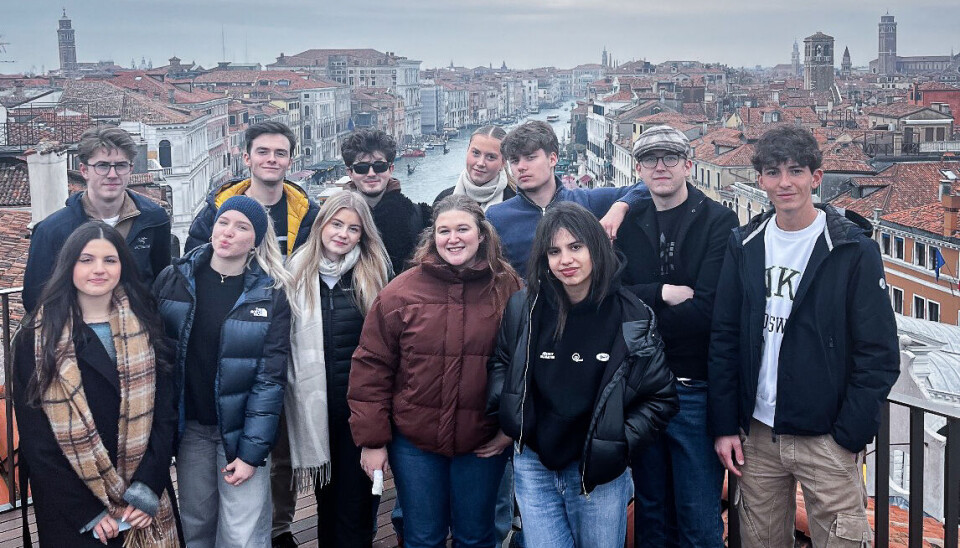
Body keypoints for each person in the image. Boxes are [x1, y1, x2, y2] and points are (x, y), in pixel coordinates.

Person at [709, 125, 900, 547]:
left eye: (796, 171)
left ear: (816, 177)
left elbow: (880, 352)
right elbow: (724, 338)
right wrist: (726, 425)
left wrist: (849, 433)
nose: (784, 183)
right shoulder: (744, 244)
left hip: (827, 435)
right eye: (773, 172)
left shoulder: (852, 249)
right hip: (758, 435)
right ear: (760, 180)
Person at [486, 201, 678, 548]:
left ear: (596, 247)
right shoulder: (524, 307)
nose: (566, 260)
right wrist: (511, 416)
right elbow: (502, 361)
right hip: (534, 463)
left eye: (576, 247)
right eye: (554, 251)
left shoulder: (632, 316)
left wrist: (615, 442)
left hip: (598, 471)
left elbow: (660, 397)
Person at [348, 195, 521, 548]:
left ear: (482, 235)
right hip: (415, 441)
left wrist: (509, 429)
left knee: (476, 537)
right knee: (423, 536)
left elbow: (525, 365)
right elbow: (372, 366)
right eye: (444, 230)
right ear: (433, 237)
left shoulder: (508, 289)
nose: (453, 238)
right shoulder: (400, 292)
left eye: (462, 229)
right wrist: (373, 441)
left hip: (482, 438)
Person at [13, 222, 179, 547]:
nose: (98, 270)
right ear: (68, 265)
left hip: (142, 499)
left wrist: (148, 487)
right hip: (73, 511)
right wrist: (86, 511)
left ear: (123, 267)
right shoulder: (36, 337)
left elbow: (165, 416)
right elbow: (37, 438)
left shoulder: (147, 324)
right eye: (86, 260)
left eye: (110, 260)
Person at [616, 125, 738, 548]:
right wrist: (663, 293)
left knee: (698, 517)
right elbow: (614, 299)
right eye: (651, 159)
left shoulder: (719, 221)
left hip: (694, 390)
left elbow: (708, 311)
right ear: (639, 169)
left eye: (670, 158)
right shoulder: (629, 222)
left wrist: (639, 311)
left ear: (689, 165)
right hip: (642, 389)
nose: (661, 166)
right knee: (651, 512)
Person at [154, 196, 292, 548]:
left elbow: (269, 379)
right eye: (223, 222)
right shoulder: (175, 279)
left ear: (256, 240)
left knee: (242, 533)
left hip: (242, 431)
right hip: (192, 430)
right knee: (196, 524)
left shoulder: (270, 293)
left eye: (242, 227)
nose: (228, 232)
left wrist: (251, 452)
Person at [285, 190, 392, 547]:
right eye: (336, 224)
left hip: (358, 411)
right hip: (314, 411)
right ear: (321, 225)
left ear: (364, 236)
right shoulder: (295, 274)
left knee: (357, 505)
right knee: (326, 503)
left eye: (354, 229)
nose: (343, 234)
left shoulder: (374, 276)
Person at [23, 126, 172, 313]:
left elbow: (162, 282)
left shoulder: (154, 219)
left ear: (130, 169)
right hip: (77, 335)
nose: (112, 174)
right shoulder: (52, 230)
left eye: (120, 165)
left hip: (141, 333)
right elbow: (34, 298)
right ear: (84, 170)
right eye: (102, 165)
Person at [485, 120, 646, 278]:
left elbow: (648, 187)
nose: (521, 166)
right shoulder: (497, 217)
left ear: (552, 159)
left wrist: (621, 206)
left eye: (530, 157)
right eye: (514, 160)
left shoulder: (587, 201)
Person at [185, 120, 319, 258]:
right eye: (263, 152)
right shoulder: (213, 213)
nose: (272, 159)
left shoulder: (310, 215)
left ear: (290, 162)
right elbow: (192, 267)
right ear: (247, 158)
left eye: (280, 153)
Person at [341, 128, 430, 274]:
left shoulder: (419, 217)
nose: (371, 174)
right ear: (350, 173)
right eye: (362, 168)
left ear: (391, 169)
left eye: (379, 166)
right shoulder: (330, 220)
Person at [432, 125, 516, 210]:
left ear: (503, 162)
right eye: (476, 153)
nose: (480, 163)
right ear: (467, 151)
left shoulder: (515, 203)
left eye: (490, 157)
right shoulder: (443, 199)